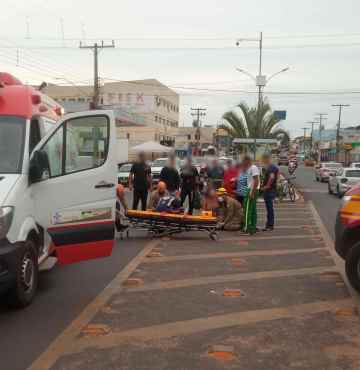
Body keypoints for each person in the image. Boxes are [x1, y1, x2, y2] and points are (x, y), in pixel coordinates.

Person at [242, 155, 260, 235]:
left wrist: (252, 192)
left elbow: (256, 180)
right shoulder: (249, 168)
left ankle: (247, 229)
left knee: (247, 209)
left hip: (252, 190)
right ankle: (253, 227)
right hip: (252, 189)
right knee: (252, 210)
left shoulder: (253, 167)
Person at [262, 153, 279, 231]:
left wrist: (267, 186)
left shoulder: (271, 167)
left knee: (269, 209)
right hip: (270, 190)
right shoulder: (272, 167)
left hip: (269, 190)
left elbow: (272, 177)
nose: (263, 161)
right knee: (269, 208)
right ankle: (268, 224)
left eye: (264, 160)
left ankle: (270, 225)